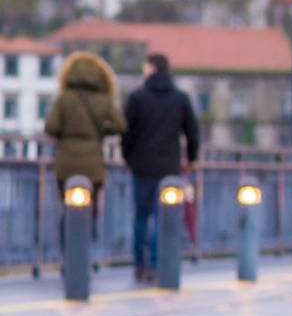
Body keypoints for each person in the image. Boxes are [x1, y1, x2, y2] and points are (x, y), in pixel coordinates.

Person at [121, 53, 199, 282]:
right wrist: (191, 159)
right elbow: (192, 133)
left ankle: (139, 264)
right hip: (169, 169)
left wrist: (128, 158)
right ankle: (156, 263)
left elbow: (127, 134)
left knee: (140, 217)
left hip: (141, 166)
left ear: (152, 68)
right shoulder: (180, 98)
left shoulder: (137, 98)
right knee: (162, 216)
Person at [44, 50, 125, 240]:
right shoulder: (104, 100)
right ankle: (88, 243)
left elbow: (50, 127)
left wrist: (65, 134)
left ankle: (67, 248)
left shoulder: (64, 98)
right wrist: (101, 133)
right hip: (93, 160)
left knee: (67, 205)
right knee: (91, 204)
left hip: (66, 161)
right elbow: (121, 125)